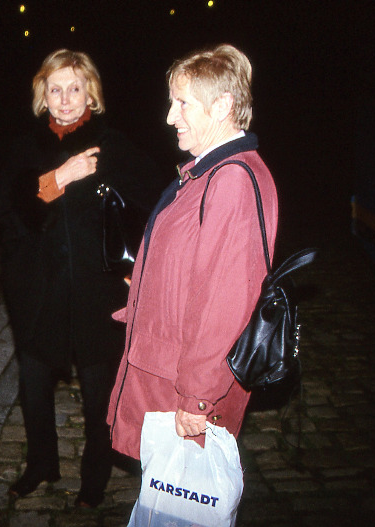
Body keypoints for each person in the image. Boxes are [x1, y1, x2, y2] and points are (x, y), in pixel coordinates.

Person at [0, 49, 159, 508]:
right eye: (55, 89)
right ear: (42, 96)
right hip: (38, 291)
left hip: (95, 291)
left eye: (75, 88)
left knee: (98, 393)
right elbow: (3, 211)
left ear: (92, 94)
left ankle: (95, 477)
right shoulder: (26, 146)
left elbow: (156, 203)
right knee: (34, 384)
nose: (65, 99)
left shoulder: (112, 145)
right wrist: (58, 177)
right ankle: (41, 463)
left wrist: (135, 269)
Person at [106, 44, 279, 461]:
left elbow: (227, 300)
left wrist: (199, 397)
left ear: (222, 106)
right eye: (171, 103)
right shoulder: (208, 171)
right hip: (166, 370)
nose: (170, 117)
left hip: (184, 389)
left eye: (182, 103)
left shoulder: (231, 180)